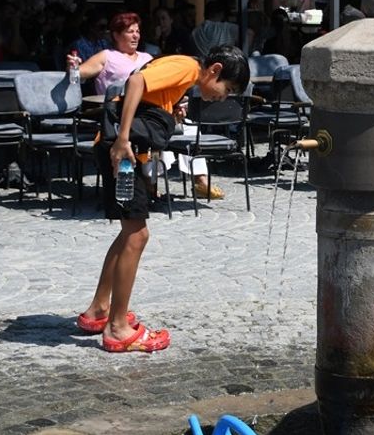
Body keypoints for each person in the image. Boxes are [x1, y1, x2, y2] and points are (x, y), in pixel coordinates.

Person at [76, 45, 249, 353]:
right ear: (216, 70)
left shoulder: (184, 76)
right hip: (123, 153)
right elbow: (136, 83)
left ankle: (100, 309)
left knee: (129, 232)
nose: (223, 96)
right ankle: (117, 328)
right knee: (137, 234)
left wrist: (169, 108)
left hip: (122, 151)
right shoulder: (187, 66)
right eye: (227, 88)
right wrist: (124, 138)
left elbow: (148, 93)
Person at [69, 12, 223, 200]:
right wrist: (74, 66)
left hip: (153, 115)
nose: (135, 35)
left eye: (137, 31)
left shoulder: (146, 57)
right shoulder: (107, 56)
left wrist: (176, 105)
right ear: (116, 35)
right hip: (122, 115)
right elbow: (80, 74)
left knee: (188, 129)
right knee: (151, 137)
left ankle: (200, 180)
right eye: (129, 31)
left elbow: (163, 90)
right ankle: (149, 185)